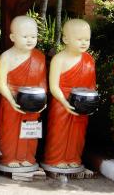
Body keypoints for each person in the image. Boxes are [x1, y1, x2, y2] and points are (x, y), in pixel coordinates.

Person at [43, 19, 96, 169]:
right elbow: (53, 86)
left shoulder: (89, 60)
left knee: (77, 134)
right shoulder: (59, 59)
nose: (84, 43)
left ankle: (73, 157)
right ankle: (56, 159)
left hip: (82, 103)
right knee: (59, 131)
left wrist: (90, 103)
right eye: (79, 39)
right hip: (62, 101)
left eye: (87, 39)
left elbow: (91, 86)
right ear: (66, 39)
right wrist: (65, 102)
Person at [0, 16, 47, 168]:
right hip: (11, 100)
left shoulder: (39, 57)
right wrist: (11, 100)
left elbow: (42, 82)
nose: (30, 40)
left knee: (31, 130)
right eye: (25, 37)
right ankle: (9, 158)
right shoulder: (6, 56)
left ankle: (27, 157)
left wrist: (42, 100)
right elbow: (1, 83)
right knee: (10, 131)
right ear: (13, 37)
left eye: (33, 36)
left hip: (34, 101)